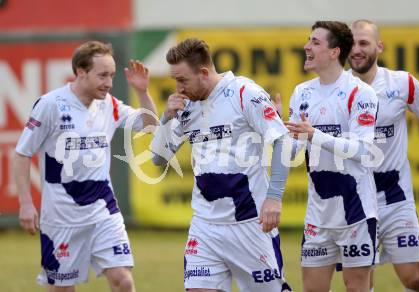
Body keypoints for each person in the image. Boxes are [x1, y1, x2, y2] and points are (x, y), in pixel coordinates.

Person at [13, 40, 157, 292]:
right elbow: (22, 154)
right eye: (102, 75)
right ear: (81, 72)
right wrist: (26, 203)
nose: (109, 82)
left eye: (111, 75)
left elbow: (149, 125)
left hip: (103, 211)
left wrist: (143, 92)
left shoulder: (109, 104)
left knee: (123, 280)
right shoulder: (50, 105)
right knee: (62, 289)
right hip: (61, 217)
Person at [150, 38, 292, 292]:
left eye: (182, 80)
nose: (178, 88)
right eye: (175, 80)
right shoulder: (185, 106)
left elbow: (282, 140)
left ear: (203, 73)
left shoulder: (243, 92)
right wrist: (165, 118)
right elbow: (158, 158)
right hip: (204, 227)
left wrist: (274, 197)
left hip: (250, 224)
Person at [285, 21, 379, 292]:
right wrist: (279, 134)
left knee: (357, 288)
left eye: (315, 42)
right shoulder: (302, 93)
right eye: (308, 40)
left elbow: (362, 150)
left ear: (335, 52)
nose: (307, 46)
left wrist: (314, 134)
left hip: (356, 211)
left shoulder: (360, 92)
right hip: (318, 215)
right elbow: (292, 151)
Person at [349, 19, 419, 292]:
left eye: (363, 43)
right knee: (360, 284)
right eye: (351, 44)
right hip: (355, 201)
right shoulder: (337, 89)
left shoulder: (402, 84)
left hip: (396, 197)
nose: (356, 50)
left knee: (412, 278)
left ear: (379, 46)